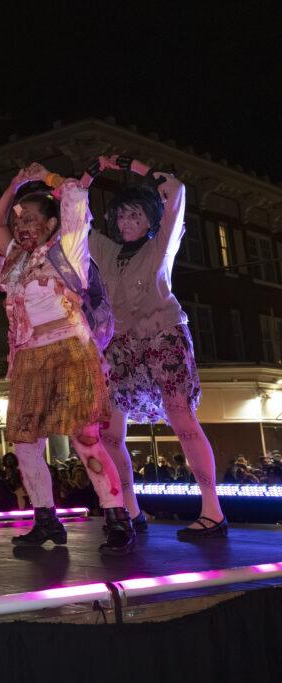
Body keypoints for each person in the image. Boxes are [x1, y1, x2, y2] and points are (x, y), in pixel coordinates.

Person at [0, 163, 135, 554]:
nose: (20, 225)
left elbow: (74, 195)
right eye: (19, 221)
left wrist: (46, 178)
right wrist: (15, 184)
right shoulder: (15, 260)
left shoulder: (68, 249)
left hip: (69, 351)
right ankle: (46, 520)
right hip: (29, 359)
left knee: (85, 439)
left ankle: (118, 519)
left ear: (51, 223)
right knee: (25, 444)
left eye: (29, 218)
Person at [89, 154, 226, 539]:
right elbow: (75, 221)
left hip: (162, 335)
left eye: (134, 215)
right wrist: (88, 174)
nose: (125, 222)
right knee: (109, 434)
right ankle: (131, 510)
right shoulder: (107, 252)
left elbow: (176, 190)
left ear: (150, 218)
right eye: (120, 216)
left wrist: (128, 164)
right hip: (120, 346)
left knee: (182, 419)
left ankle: (213, 511)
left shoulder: (161, 244)